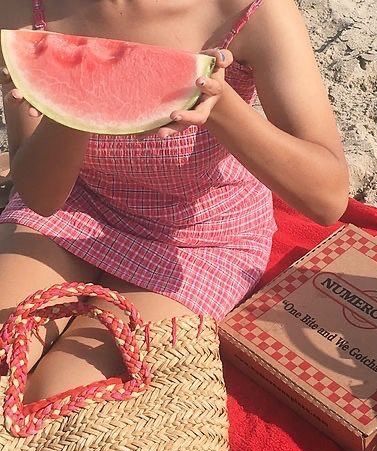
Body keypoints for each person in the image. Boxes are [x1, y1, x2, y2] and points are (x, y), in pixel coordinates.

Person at [0, 0, 349, 405]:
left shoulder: (254, 10)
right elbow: (42, 198)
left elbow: (327, 198)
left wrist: (221, 108)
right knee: (6, 357)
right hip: (76, 207)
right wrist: (68, 105)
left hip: (201, 239)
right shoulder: (25, 7)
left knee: (55, 395)